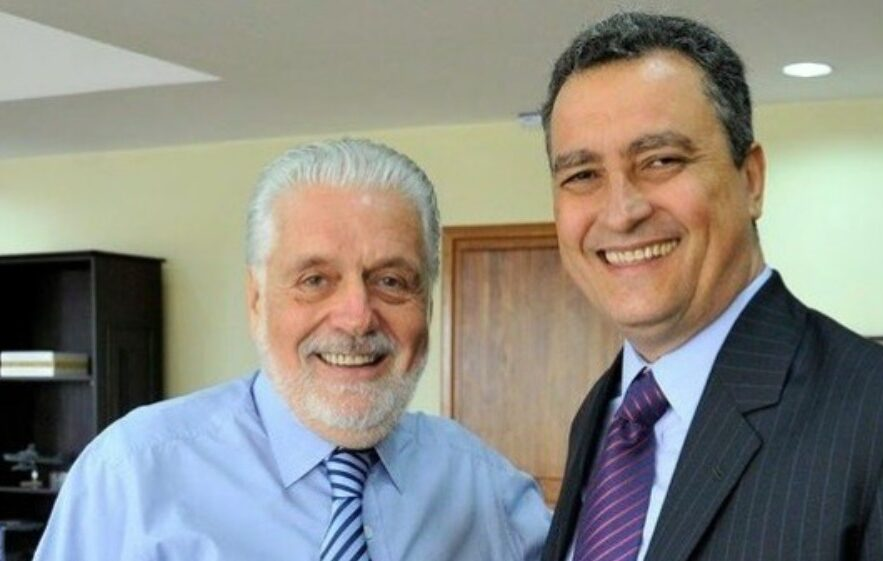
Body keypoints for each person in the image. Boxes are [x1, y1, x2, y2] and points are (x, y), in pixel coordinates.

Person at [539, 12, 883, 561]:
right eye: (582, 175)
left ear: (751, 179)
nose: (621, 212)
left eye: (661, 161)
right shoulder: (605, 415)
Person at [34, 138, 550, 560]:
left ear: (428, 305)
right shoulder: (131, 477)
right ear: (257, 300)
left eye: (391, 281)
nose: (356, 316)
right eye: (315, 280)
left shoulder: (485, 489)